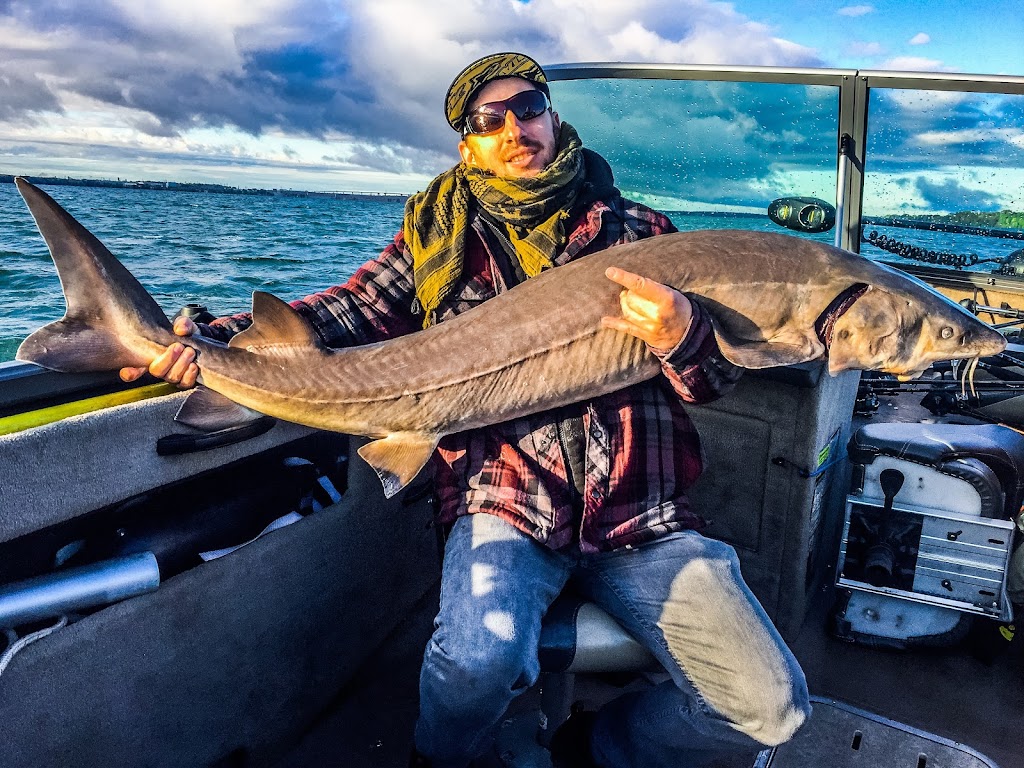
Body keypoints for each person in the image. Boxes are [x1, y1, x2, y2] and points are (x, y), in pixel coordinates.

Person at [122, 52, 810, 768]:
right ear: (468, 144)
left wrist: (684, 337)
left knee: (771, 708)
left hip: (642, 510)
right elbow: (346, 311)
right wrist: (213, 340)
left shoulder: (645, 236)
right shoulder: (439, 239)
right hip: (506, 497)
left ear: (554, 117)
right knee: (473, 662)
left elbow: (714, 382)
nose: (515, 126)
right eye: (490, 118)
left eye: (530, 106)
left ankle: (597, 747)